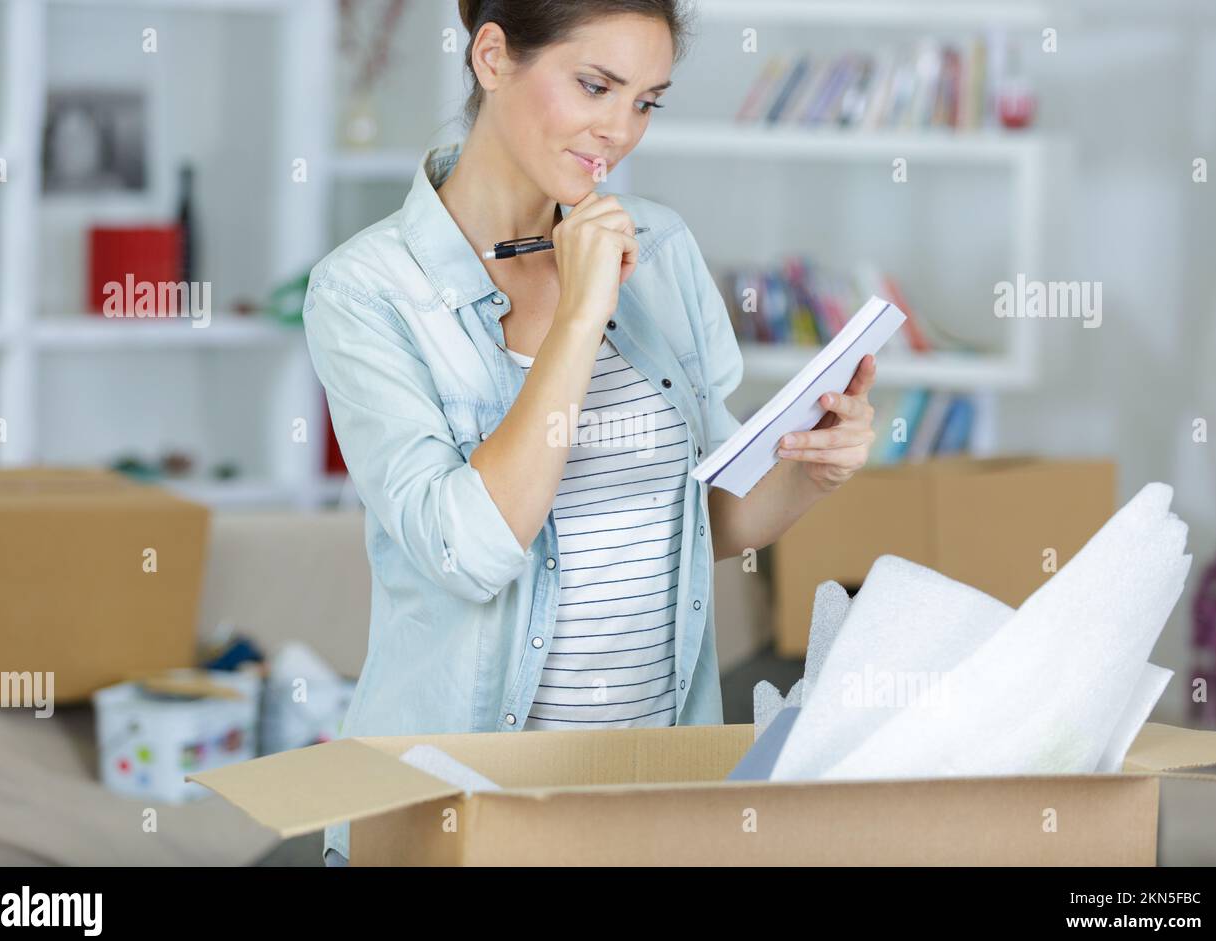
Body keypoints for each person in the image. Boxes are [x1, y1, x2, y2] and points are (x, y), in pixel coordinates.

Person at [303, 0, 878, 866]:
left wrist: (811, 471)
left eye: (646, 100)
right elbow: (469, 551)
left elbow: (704, 520)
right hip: (458, 815)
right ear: (493, 58)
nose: (620, 131)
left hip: (650, 805)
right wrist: (578, 315)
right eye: (596, 86)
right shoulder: (368, 292)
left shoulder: (663, 247)